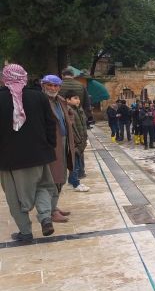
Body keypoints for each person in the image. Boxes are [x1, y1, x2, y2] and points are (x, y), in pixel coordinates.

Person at [0, 64, 58, 241]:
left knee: (14, 197)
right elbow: (50, 123)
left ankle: (25, 232)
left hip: (8, 160)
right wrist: (50, 146)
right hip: (39, 155)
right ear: (24, 77)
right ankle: (46, 217)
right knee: (42, 187)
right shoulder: (38, 96)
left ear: (4, 78)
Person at [42, 75, 75, 223]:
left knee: (61, 176)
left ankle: (54, 207)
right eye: (49, 85)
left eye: (56, 86)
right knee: (52, 179)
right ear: (43, 85)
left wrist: (70, 121)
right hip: (50, 145)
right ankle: (50, 211)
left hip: (64, 141)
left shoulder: (60, 101)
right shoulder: (40, 101)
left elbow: (70, 114)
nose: (52, 88)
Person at [64, 92, 90, 192]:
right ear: (68, 100)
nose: (78, 100)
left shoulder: (79, 109)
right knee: (75, 164)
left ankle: (72, 181)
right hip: (74, 142)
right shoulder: (68, 110)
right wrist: (77, 140)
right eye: (75, 98)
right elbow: (72, 128)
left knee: (77, 163)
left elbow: (83, 125)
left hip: (81, 141)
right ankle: (76, 184)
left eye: (78, 98)